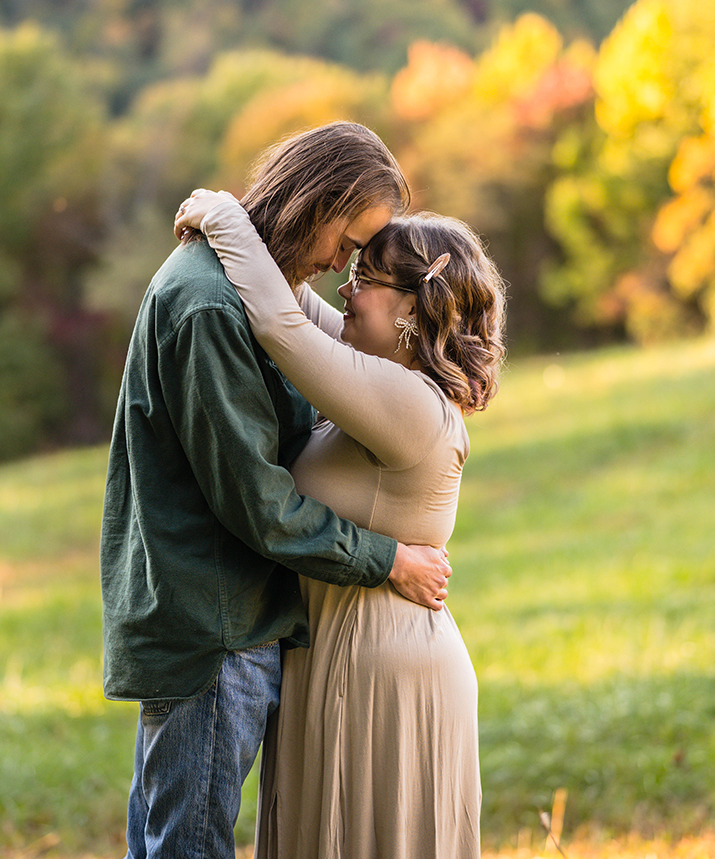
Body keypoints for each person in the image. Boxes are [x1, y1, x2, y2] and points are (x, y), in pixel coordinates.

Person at [100, 121, 453, 859]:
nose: (340, 267)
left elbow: (299, 331)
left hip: (224, 615)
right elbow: (260, 503)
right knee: (186, 848)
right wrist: (387, 559)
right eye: (348, 245)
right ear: (315, 203)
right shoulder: (210, 308)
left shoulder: (245, 290)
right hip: (217, 623)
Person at [174, 185, 507, 859]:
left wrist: (221, 213)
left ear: (412, 306)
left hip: (381, 679)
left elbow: (280, 325)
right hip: (336, 660)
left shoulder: (410, 402)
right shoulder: (380, 374)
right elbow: (292, 298)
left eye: (365, 278)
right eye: (349, 270)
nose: (346, 290)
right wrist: (270, 221)